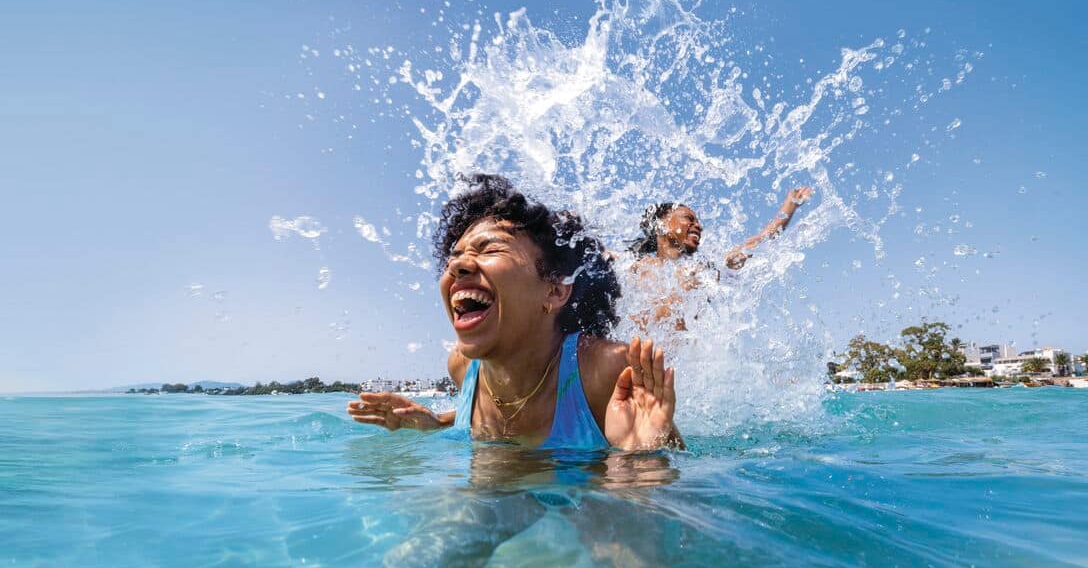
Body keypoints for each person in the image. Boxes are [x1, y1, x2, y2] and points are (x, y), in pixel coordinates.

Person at [348, 173, 680, 451]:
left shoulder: (606, 372)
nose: (458, 265)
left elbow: (676, 498)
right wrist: (437, 424)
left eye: (490, 249)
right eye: (455, 255)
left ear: (554, 290)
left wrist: (641, 457)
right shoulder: (463, 367)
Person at [625, 186, 814, 329]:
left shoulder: (704, 270)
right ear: (661, 225)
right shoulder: (632, 268)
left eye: (698, 221)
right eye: (688, 219)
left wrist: (790, 205)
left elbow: (760, 240)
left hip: (679, 365)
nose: (699, 226)